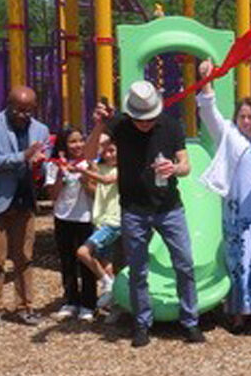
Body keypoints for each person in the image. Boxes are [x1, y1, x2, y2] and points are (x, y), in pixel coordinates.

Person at [84, 82, 203, 347]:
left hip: (169, 207)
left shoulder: (171, 126)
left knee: (184, 263)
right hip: (134, 210)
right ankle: (142, 324)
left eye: (149, 118)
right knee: (138, 270)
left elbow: (186, 166)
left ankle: (190, 321)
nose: (145, 124)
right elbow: (89, 154)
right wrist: (99, 126)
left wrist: (174, 167)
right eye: (140, 119)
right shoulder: (120, 125)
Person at [196, 59, 251, 333]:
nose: (246, 121)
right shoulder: (230, 135)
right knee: (241, 257)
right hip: (239, 210)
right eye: (242, 116)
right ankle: (238, 313)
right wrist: (206, 80)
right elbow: (209, 112)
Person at [0, 87, 50, 330]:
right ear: (8, 104)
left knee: (24, 258)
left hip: (24, 200)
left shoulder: (41, 129)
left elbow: (41, 165)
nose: (23, 115)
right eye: (18, 109)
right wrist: (22, 156)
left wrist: (39, 165)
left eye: (29, 110)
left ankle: (25, 306)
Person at [45, 127, 96, 321]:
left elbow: (94, 192)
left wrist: (84, 177)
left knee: (87, 261)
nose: (78, 145)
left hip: (86, 217)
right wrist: (61, 175)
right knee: (67, 261)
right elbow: (52, 195)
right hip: (63, 217)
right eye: (73, 142)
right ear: (63, 145)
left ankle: (89, 302)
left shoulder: (90, 162)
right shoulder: (54, 164)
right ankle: (71, 300)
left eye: (81, 140)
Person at [76, 135, 120, 309]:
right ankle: (116, 298)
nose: (108, 155)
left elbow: (107, 181)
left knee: (82, 252)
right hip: (101, 221)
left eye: (112, 150)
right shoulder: (100, 167)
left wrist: (84, 171)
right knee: (106, 264)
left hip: (114, 222)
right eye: (105, 150)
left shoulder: (122, 169)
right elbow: (89, 157)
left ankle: (106, 284)